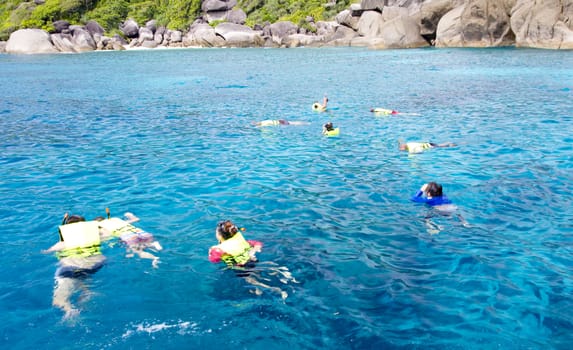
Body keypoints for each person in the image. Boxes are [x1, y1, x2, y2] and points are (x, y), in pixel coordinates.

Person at [209, 220, 295, 299]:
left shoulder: (218, 249)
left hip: (240, 267)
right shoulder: (241, 241)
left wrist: (211, 252)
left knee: (253, 281)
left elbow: (214, 260)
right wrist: (252, 252)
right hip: (252, 261)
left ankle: (277, 290)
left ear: (220, 235)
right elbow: (257, 243)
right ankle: (281, 272)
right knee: (258, 272)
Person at [42, 213, 106, 319]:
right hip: (95, 265)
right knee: (79, 278)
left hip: (70, 269)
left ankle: (70, 312)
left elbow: (45, 252)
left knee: (58, 300)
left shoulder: (62, 244)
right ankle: (86, 292)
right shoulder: (95, 238)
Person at [97, 210, 162, 268]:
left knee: (139, 252)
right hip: (141, 233)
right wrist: (129, 215)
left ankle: (154, 258)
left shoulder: (102, 228)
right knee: (143, 244)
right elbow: (137, 219)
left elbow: (107, 238)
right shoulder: (117, 221)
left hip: (130, 237)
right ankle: (153, 244)